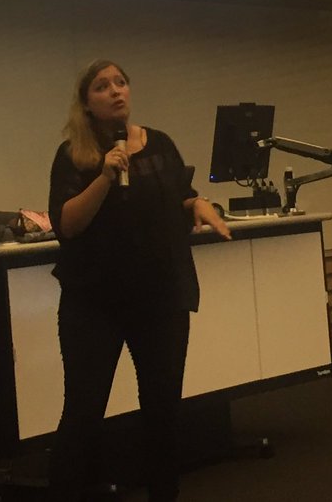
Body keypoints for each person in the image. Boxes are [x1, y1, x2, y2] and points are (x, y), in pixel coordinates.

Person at [46, 59, 231, 502]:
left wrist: (198, 204)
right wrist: (107, 176)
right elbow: (67, 223)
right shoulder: (74, 154)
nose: (116, 91)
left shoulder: (160, 144)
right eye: (102, 86)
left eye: (121, 83)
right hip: (95, 301)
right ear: (86, 103)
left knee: (163, 413)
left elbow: (179, 194)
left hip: (159, 297)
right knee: (84, 412)